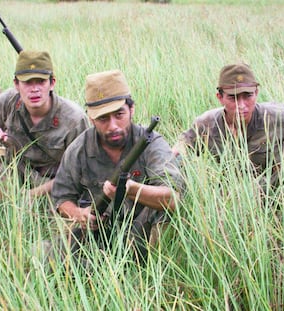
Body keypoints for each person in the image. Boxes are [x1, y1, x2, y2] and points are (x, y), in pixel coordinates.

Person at [50, 69, 184, 264]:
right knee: (47, 254)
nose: (113, 125)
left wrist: (132, 190)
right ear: (91, 118)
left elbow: (173, 199)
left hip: (144, 233)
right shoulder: (79, 149)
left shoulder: (151, 143)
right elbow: (62, 198)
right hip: (100, 232)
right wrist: (81, 215)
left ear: (132, 110)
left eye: (119, 114)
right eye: (103, 118)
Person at [172, 63, 284, 194]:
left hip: (279, 184)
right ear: (220, 97)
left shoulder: (275, 115)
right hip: (235, 194)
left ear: (256, 93)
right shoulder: (206, 124)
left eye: (247, 96)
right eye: (233, 97)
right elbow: (182, 146)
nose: (241, 105)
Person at [0, 50, 90, 197]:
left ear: (52, 83)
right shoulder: (6, 101)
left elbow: (77, 173)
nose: (34, 89)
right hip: (18, 168)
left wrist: (31, 195)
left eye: (41, 81)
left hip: (54, 182)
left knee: (55, 209)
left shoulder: (74, 120)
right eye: (27, 82)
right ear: (16, 84)